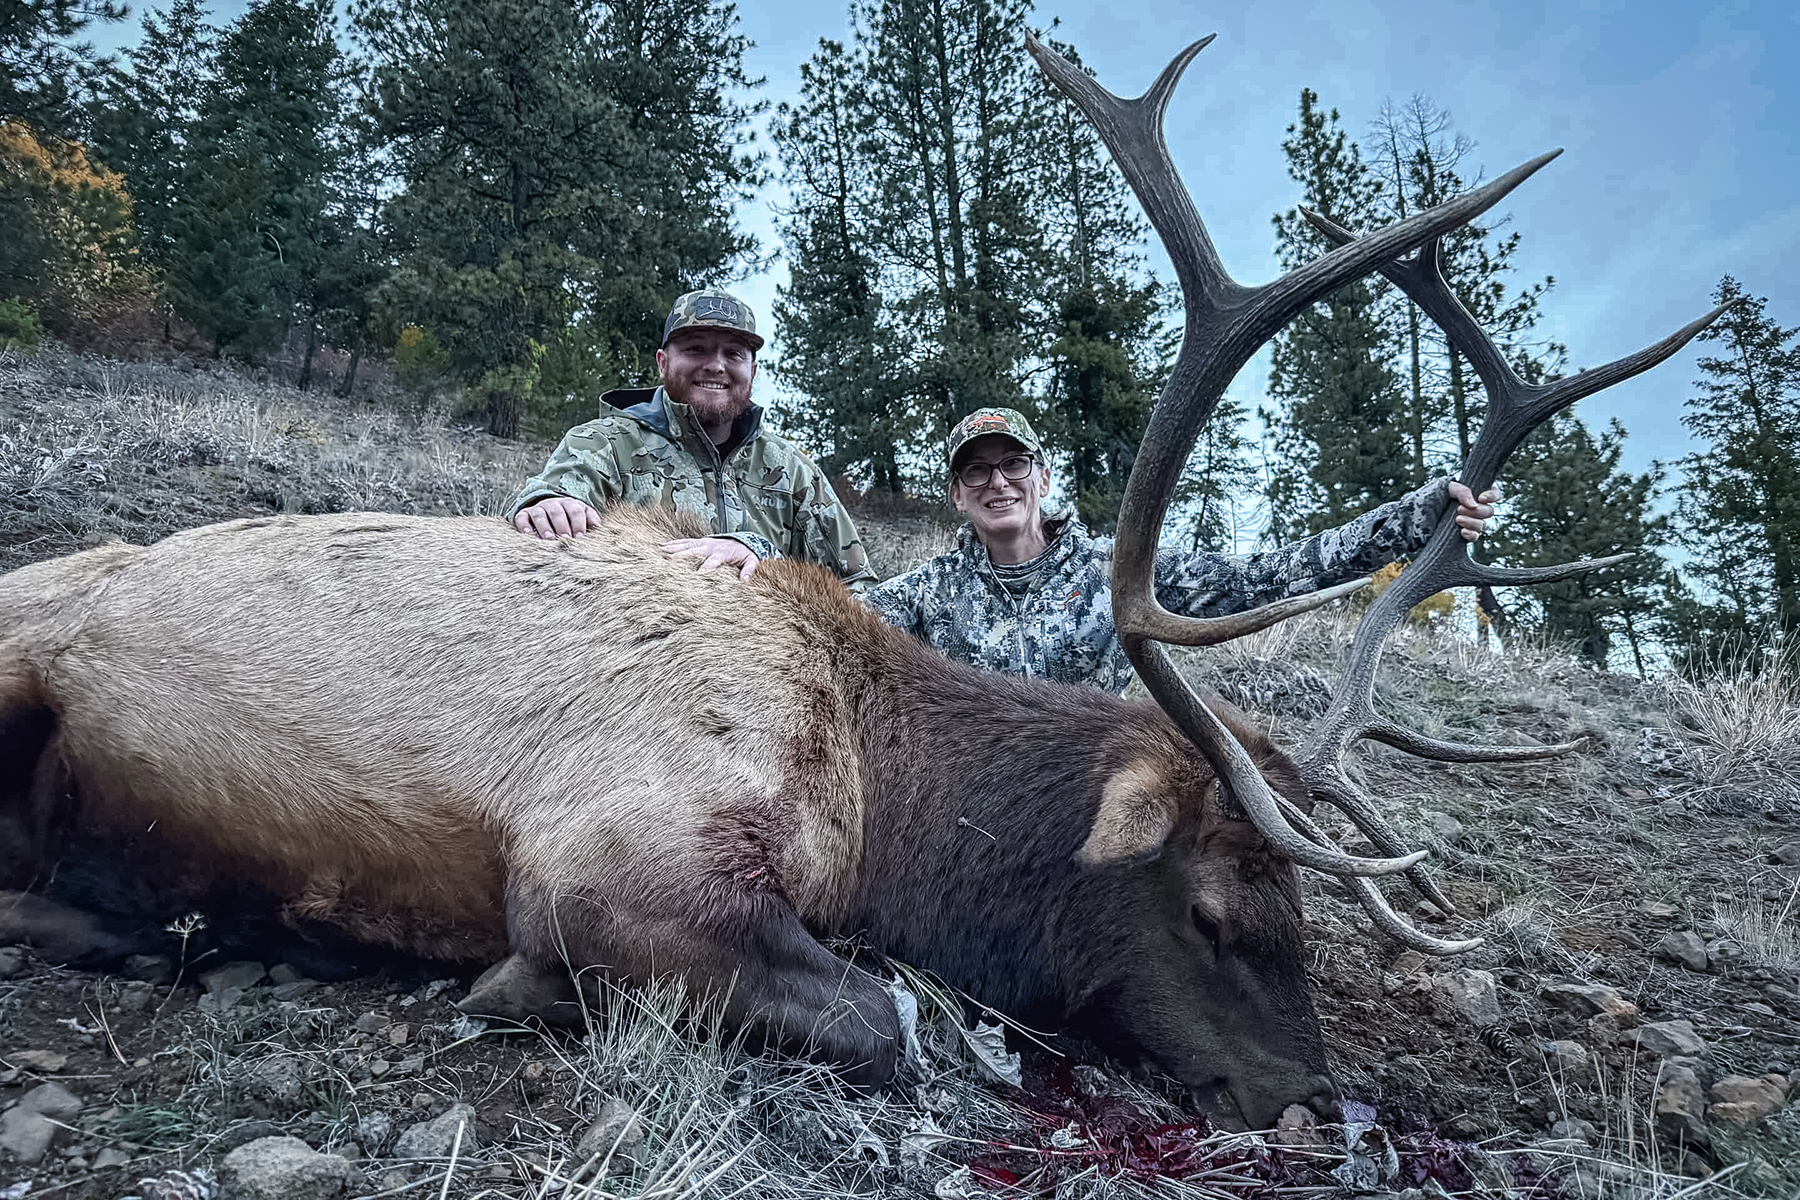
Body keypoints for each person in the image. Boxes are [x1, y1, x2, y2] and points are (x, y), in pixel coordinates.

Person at [866, 407, 1500, 693]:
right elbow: (834, 610)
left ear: (1044, 478)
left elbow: (1275, 573)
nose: (996, 482)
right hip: (971, 806)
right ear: (955, 494)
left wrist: (1419, 517)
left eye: (1012, 464)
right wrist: (760, 562)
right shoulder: (929, 591)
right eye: (975, 473)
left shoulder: (1116, 571)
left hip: (1089, 794)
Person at [507, 289, 877, 591]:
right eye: (696, 349)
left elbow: (858, 591)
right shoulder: (604, 444)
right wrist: (546, 502)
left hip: (769, 671)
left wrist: (764, 556)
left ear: (753, 370)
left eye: (733, 353)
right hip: (636, 657)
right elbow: (551, 502)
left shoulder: (794, 473)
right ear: (663, 362)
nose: (716, 365)